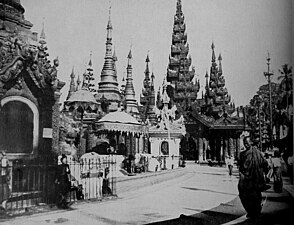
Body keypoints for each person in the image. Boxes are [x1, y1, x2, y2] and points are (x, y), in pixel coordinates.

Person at [238, 136, 269, 220]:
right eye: (244, 143)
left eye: (247, 143)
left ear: (251, 142)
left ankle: (256, 211)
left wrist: (265, 174)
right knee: (244, 195)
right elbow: (240, 166)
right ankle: (250, 211)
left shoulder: (257, 152)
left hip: (255, 178)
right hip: (246, 179)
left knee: (255, 196)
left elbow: (265, 163)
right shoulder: (242, 154)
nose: (246, 145)